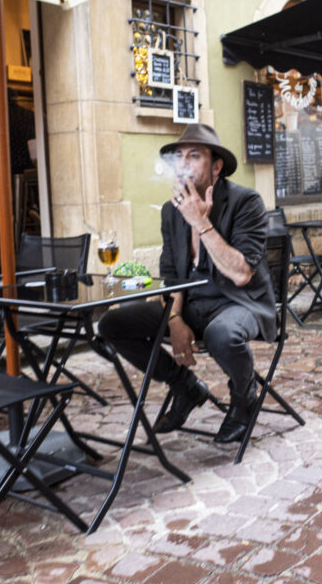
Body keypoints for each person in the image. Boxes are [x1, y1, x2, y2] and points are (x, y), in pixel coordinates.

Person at [98, 124, 276, 444]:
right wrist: (175, 319)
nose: (183, 164)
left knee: (222, 334)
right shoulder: (171, 210)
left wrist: (201, 222)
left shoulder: (245, 201)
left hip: (239, 302)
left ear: (216, 167)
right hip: (191, 304)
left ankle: (244, 396)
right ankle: (185, 386)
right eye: (179, 157)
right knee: (113, 324)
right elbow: (172, 275)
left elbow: (241, 274)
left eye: (194, 156)